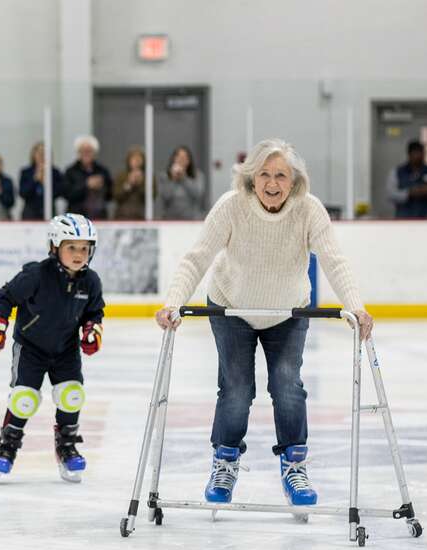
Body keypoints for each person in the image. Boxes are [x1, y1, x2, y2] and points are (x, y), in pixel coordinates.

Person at [155, 138, 374, 507]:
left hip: (287, 311)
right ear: (251, 177)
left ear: (294, 181)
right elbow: (197, 258)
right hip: (231, 307)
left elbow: (335, 260)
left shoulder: (309, 210)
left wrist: (356, 307)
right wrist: (173, 303)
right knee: (237, 388)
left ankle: (294, 465)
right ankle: (224, 462)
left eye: (281, 176)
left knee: (288, 384)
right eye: (265, 175)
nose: (273, 183)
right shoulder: (231, 207)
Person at [0, 214, 104, 483]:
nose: (79, 254)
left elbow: (95, 311)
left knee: (72, 395)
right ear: (55, 247)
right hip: (30, 348)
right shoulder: (36, 274)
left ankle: (67, 446)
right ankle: (7, 446)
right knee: (24, 399)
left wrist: (92, 329)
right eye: (71, 247)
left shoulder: (90, 281)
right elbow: (5, 296)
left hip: (66, 350)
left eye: (84, 248)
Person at [387, 140, 427, 218]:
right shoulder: (397, 172)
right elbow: (391, 195)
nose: (420, 156)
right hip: (404, 221)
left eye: (423, 153)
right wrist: (409, 193)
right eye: (417, 152)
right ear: (409, 154)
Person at [63, 135, 113, 219]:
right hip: (77, 218)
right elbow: (67, 194)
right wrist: (86, 185)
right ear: (78, 152)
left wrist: (102, 187)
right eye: (83, 151)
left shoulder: (102, 171)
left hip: (99, 218)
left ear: (95, 152)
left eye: (89, 151)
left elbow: (110, 195)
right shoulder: (70, 171)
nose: (86, 153)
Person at [158, 145, 207, 220]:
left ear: (189, 161)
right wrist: (173, 180)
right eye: (179, 157)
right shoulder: (164, 176)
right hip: (170, 220)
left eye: (185, 157)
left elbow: (198, 195)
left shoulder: (198, 175)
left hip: (192, 220)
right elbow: (165, 197)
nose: (181, 160)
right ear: (174, 159)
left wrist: (183, 178)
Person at [18, 142, 63, 221]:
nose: (42, 156)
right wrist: (35, 180)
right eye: (39, 153)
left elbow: (59, 193)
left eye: (45, 153)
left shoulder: (55, 172)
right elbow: (23, 193)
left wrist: (45, 182)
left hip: (50, 211)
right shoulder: (26, 172)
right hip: (30, 213)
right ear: (34, 155)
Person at [112, 145, 148, 220]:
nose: (136, 161)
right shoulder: (121, 176)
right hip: (122, 216)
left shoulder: (147, 177)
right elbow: (116, 196)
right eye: (134, 158)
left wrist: (140, 184)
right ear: (128, 160)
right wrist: (128, 184)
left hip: (140, 217)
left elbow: (151, 196)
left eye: (139, 158)